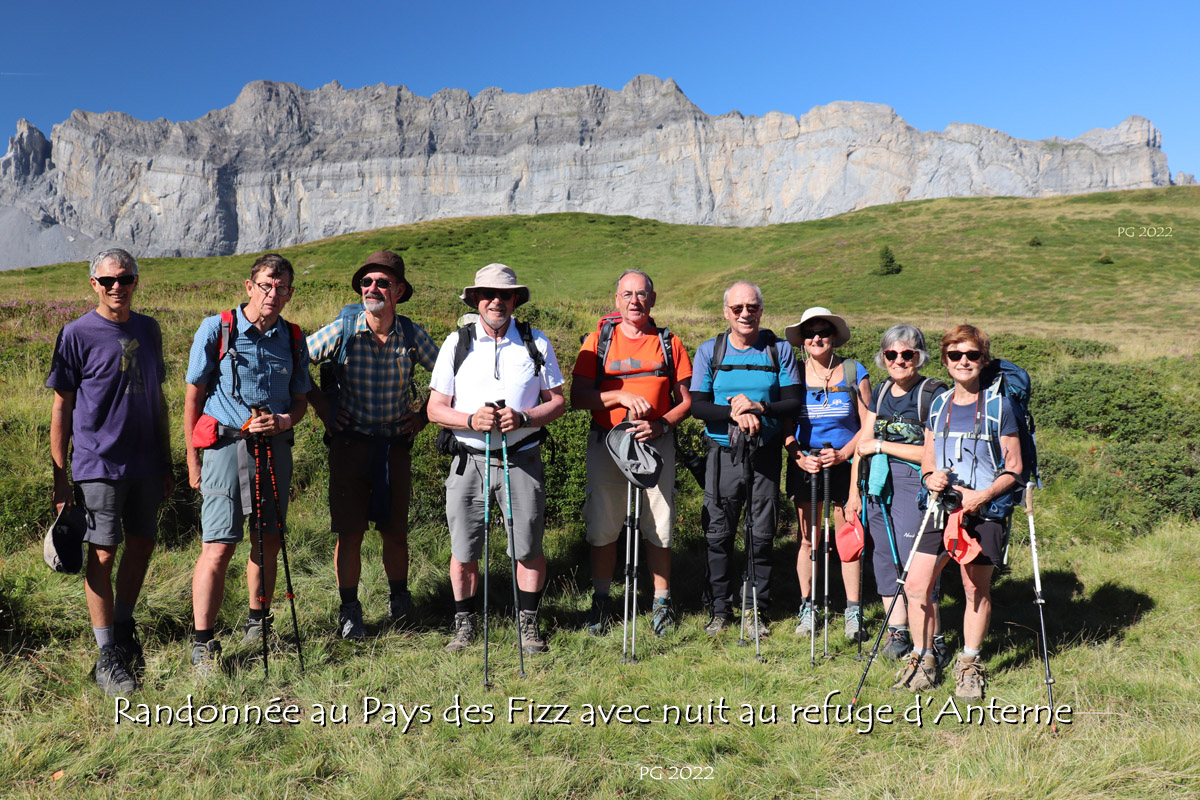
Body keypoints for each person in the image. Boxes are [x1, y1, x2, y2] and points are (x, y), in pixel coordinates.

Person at [47, 249, 172, 695]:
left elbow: (158, 400)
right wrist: (61, 477)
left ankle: (122, 631)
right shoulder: (76, 333)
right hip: (97, 463)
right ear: (93, 284)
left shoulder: (150, 329)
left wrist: (166, 460)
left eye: (126, 278)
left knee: (142, 544)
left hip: (145, 462)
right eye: (107, 280)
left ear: (137, 281)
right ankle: (105, 657)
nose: (117, 287)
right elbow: (62, 406)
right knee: (102, 553)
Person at [427, 264, 565, 653]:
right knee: (464, 549)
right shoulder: (456, 343)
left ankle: (529, 626)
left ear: (515, 299)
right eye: (487, 294)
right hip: (468, 460)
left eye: (504, 295)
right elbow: (435, 409)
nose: (495, 301)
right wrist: (471, 420)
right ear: (475, 300)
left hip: (521, 457)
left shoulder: (537, 343)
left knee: (528, 547)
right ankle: (464, 625)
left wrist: (524, 417)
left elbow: (557, 402)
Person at [184, 253, 309, 675]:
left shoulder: (293, 338)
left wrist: (286, 419)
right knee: (218, 545)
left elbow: (300, 398)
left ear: (290, 292)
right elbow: (194, 396)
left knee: (267, 541)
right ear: (249, 286)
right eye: (266, 285)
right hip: (224, 448)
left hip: (275, 449)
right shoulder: (216, 329)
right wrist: (191, 459)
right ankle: (203, 642)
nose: (273, 293)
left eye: (282, 287)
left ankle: (259, 625)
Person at [306, 250, 438, 639]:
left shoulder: (412, 335)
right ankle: (350, 611)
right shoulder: (343, 329)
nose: (373, 288)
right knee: (350, 533)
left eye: (382, 283)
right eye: (366, 282)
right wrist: (323, 407)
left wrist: (424, 415)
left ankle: (400, 602)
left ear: (398, 291)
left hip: (394, 447)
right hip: (349, 446)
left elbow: (450, 374)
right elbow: (298, 361)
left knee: (395, 531)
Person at [897, 325, 1022, 699]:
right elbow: (929, 459)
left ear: (983, 359)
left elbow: (1015, 468)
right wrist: (931, 477)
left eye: (971, 355)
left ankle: (969, 664)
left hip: (986, 509)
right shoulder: (939, 404)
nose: (963, 362)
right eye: (955, 355)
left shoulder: (1000, 406)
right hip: (942, 507)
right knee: (917, 585)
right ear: (946, 360)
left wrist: (982, 496)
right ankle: (923, 658)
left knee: (974, 587)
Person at [570, 269, 693, 637]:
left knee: (660, 523)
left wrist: (661, 426)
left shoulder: (670, 343)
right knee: (604, 523)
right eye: (627, 294)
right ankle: (602, 600)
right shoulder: (597, 342)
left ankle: (661, 603)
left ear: (653, 299)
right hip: (608, 443)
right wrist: (619, 396)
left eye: (641, 294)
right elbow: (578, 397)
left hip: (656, 445)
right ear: (616, 299)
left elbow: (685, 402)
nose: (634, 301)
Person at [690, 281, 801, 635]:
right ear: (726, 312)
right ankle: (719, 609)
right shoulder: (711, 350)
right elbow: (698, 406)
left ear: (761, 311)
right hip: (722, 453)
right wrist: (734, 413)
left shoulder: (778, 350)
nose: (745, 314)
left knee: (761, 534)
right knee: (719, 533)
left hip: (765, 452)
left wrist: (759, 407)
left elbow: (793, 402)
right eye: (737, 308)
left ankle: (755, 610)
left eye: (751, 307)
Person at [853, 325, 948, 663]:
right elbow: (863, 445)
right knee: (883, 557)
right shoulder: (879, 392)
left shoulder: (933, 393)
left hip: (915, 483)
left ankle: (934, 638)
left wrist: (882, 445)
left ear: (919, 356)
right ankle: (898, 632)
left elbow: (933, 452)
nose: (898, 360)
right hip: (878, 483)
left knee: (916, 560)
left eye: (906, 354)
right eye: (891, 354)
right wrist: (854, 493)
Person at [782, 307, 870, 642]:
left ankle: (852, 611)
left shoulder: (853, 370)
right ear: (802, 341)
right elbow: (786, 427)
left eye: (824, 332)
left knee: (847, 537)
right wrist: (798, 455)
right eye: (810, 333)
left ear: (834, 337)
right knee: (809, 538)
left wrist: (845, 453)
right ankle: (808, 607)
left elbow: (868, 423)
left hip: (846, 460)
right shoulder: (794, 373)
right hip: (807, 461)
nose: (817, 338)